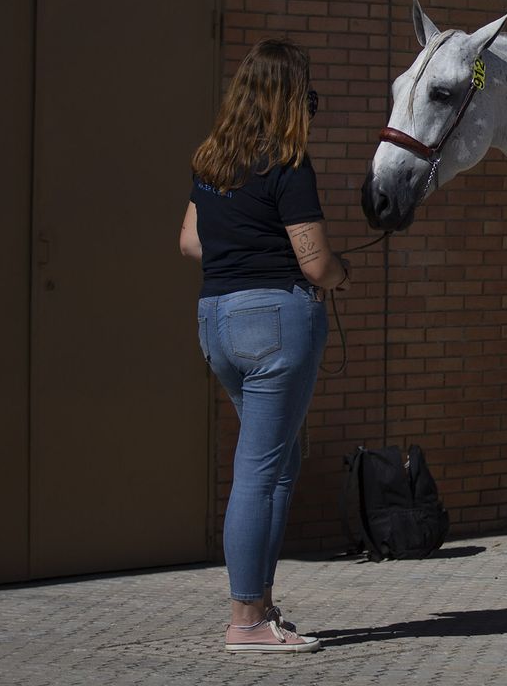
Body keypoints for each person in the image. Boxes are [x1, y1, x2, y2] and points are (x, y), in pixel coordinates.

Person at [178, 38, 351, 654]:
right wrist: (340, 273)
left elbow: (190, 244)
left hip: (216, 319)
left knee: (278, 462)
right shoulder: (287, 162)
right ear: (289, 99)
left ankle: (262, 606)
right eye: (307, 95)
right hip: (274, 321)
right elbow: (315, 263)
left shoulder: (211, 161)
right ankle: (247, 621)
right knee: (258, 471)